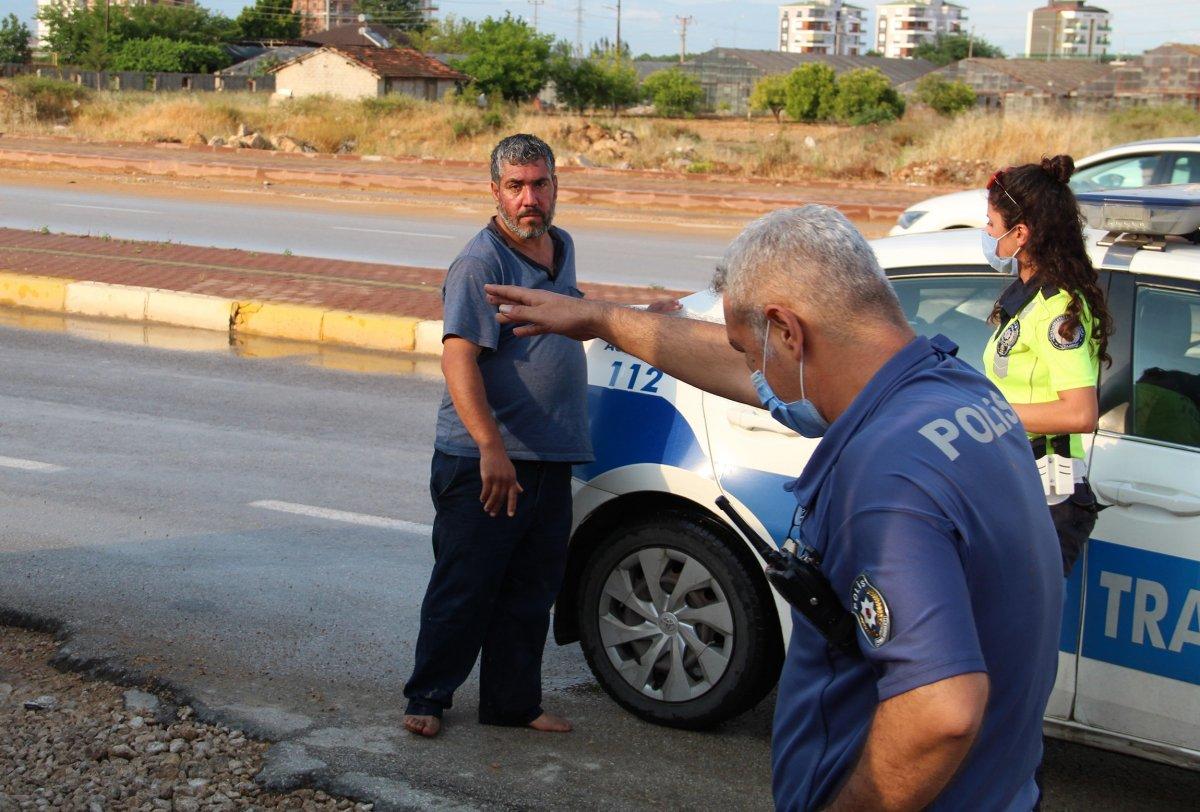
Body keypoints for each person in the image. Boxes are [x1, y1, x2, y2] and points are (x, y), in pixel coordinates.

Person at [486, 206, 1064, 810]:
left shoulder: (884, 472)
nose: (755, 376)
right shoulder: (959, 391)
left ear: (789, 332)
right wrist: (602, 318)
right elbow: (737, 362)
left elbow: (942, 710)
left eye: (756, 351)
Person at [402, 134, 592, 738]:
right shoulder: (479, 263)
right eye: (515, 186)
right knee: (466, 586)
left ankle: (512, 703)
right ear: (495, 192)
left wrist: (638, 318)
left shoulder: (559, 248)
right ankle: (428, 697)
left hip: (549, 455)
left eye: (539, 183)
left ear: (556, 186)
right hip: (485, 460)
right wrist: (491, 448)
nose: (528, 197)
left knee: (531, 592)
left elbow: (568, 316)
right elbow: (458, 359)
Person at [981, 155, 1112, 575]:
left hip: (1045, 495)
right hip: (1016, 481)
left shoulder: (1058, 312)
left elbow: (1080, 412)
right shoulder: (1026, 297)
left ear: (1020, 233)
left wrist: (988, 415)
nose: (986, 233)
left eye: (991, 224)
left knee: (1018, 632)